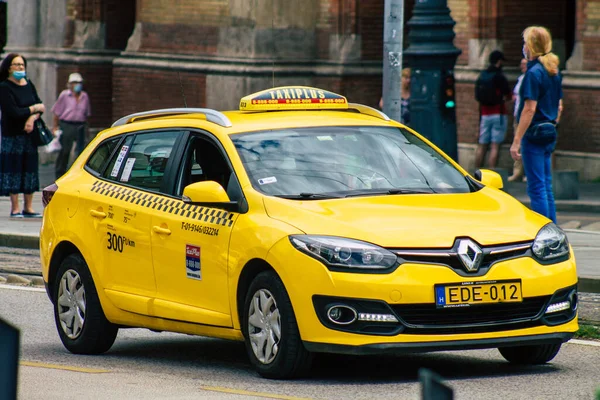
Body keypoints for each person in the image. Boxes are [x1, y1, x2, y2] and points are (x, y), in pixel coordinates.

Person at [510, 26, 564, 223]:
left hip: (534, 133)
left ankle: (544, 232)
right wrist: (553, 124)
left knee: (536, 187)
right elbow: (559, 106)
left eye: (525, 42)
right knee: (546, 185)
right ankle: (553, 227)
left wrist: (516, 140)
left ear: (531, 46)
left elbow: (529, 109)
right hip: (549, 131)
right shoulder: (553, 71)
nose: (524, 46)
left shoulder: (533, 73)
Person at [0, 53, 45, 218]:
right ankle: (15, 208)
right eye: (16, 65)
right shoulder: (4, 87)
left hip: (29, 135)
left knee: (30, 170)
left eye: (22, 65)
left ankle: (29, 207)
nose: (20, 68)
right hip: (12, 135)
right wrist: (33, 110)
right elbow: (13, 112)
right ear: (9, 68)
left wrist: (32, 119)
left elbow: (41, 106)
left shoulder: (29, 84)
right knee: (14, 169)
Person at [474, 50, 512, 170]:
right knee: (495, 146)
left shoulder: (482, 75)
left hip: (484, 114)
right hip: (498, 113)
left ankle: (476, 172)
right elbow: (508, 95)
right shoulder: (499, 76)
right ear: (499, 61)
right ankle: (491, 173)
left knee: (482, 144)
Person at [51, 72, 91, 179]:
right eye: (75, 83)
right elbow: (57, 112)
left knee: (80, 151)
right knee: (64, 151)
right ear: (70, 84)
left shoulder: (84, 96)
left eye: (79, 82)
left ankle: (76, 176)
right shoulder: (64, 95)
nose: (77, 85)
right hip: (67, 124)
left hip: (80, 125)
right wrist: (55, 127)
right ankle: (59, 175)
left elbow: (87, 114)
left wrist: (87, 129)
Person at [508, 58, 528, 182]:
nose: (522, 66)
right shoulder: (521, 78)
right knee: (518, 145)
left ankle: (527, 173)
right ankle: (518, 172)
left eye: (524, 64)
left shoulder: (531, 78)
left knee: (526, 145)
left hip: (526, 116)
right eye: (521, 64)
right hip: (518, 114)